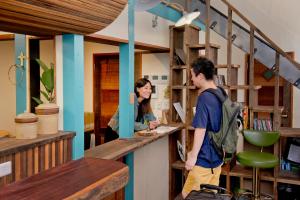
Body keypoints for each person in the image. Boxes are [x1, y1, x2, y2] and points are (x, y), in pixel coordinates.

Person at [181, 57, 223, 199]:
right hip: (218, 158)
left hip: (204, 159)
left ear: (200, 76)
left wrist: (192, 156)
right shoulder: (221, 93)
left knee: (188, 195)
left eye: (192, 75)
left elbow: (200, 129)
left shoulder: (204, 97)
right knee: (209, 196)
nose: (191, 79)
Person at [105, 78, 160, 143]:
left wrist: (155, 122)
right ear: (137, 89)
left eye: (150, 88)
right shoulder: (131, 98)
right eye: (146, 88)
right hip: (114, 132)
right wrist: (148, 125)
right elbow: (129, 123)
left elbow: (152, 119)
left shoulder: (145, 102)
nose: (149, 91)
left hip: (127, 133)